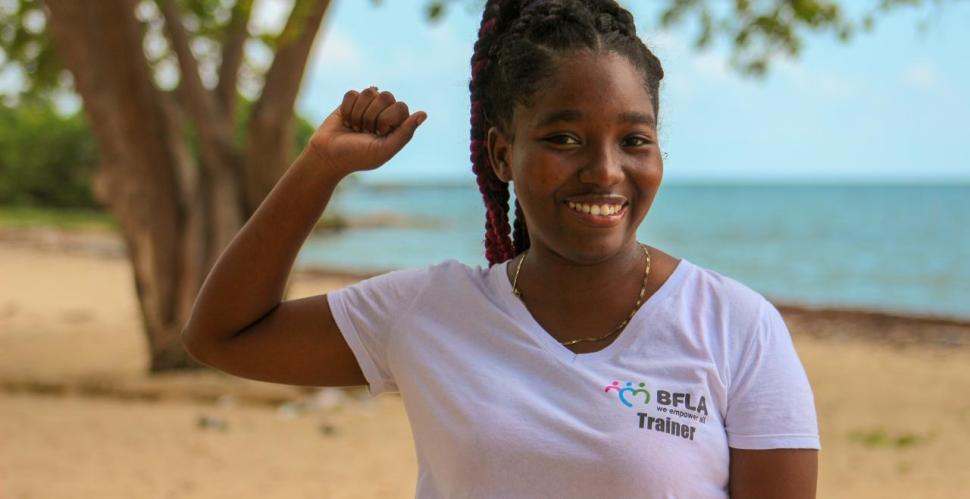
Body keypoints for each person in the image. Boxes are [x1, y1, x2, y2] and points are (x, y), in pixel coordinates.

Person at [181, 0, 820, 497]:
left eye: (634, 140)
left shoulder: (736, 326)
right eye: (563, 138)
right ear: (500, 154)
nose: (604, 171)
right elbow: (223, 335)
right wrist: (320, 166)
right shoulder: (430, 312)